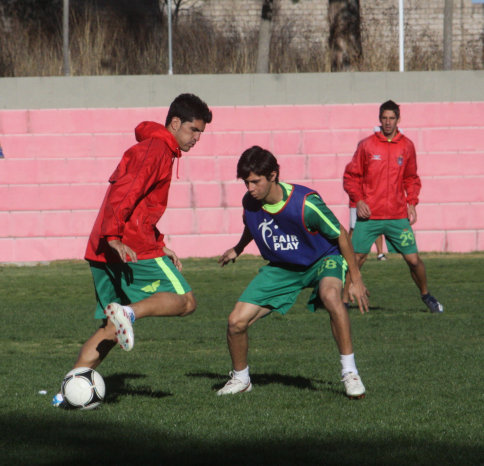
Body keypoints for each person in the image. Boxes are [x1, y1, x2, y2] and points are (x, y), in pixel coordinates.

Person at [53, 93, 212, 406]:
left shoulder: (156, 149)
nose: (197, 138)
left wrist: (159, 243)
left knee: (111, 330)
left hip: (103, 249)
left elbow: (141, 205)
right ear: (175, 123)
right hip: (127, 247)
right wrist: (115, 236)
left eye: (201, 133)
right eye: (194, 130)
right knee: (186, 301)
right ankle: (129, 312)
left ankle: (68, 393)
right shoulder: (155, 150)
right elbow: (126, 191)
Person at [217, 146, 369, 399]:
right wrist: (238, 248)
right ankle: (241, 379)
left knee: (331, 297)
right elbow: (252, 226)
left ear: (273, 175)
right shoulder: (250, 202)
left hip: (323, 259)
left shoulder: (305, 203)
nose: (250, 188)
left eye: (255, 181)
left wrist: (356, 278)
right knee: (235, 322)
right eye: (246, 182)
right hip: (283, 267)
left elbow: (341, 234)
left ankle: (350, 373)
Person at [343, 99, 443, 314]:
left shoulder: (407, 146)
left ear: (398, 119)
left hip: (397, 217)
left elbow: (411, 178)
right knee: (356, 258)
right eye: (384, 118)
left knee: (413, 260)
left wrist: (412, 203)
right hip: (369, 216)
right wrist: (359, 200)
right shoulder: (367, 145)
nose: (388, 122)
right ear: (379, 120)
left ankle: (426, 295)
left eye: (392, 118)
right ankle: (342, 302)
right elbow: (351, 177)